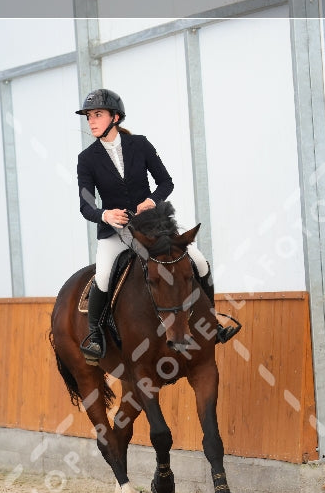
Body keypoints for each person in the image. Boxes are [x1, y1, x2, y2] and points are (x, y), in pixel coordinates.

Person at [75, 88, 238, 361]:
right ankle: (95, 336)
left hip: (153, 226)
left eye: (98, 114)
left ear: (115, 117)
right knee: (103, 277)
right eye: (89, 116)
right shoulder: (87, 159)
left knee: (199, 262)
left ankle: (212, 322)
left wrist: (152, 200)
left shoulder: (140, 145)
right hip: (114, 232)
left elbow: (166, 182)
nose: (91, 121)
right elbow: (86, 205)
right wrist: (106, 215)